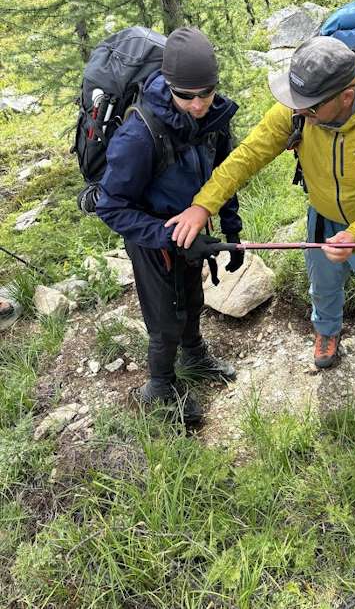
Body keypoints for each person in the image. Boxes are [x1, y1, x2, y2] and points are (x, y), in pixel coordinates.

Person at [165, 36, 355, 373]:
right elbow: (248, 156)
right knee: (324, 286)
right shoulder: (300, 108)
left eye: (311, 106)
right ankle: (327, 331)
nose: (299, 110)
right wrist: (203, 205)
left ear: (346, 96)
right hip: (322, 219)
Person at [96, 26, 244, 419]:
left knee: (192, 298)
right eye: (186, 95)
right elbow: (111, 206)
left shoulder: (214, 118)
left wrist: (232, 230)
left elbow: (223, 176)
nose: (198, 105)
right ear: (169, 85)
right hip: (151, 238)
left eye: (206, 93)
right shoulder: (139, 134)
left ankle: (194, 356)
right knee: (164, 319)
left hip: (192, 232)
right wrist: (168, 236)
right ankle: (159, 387)